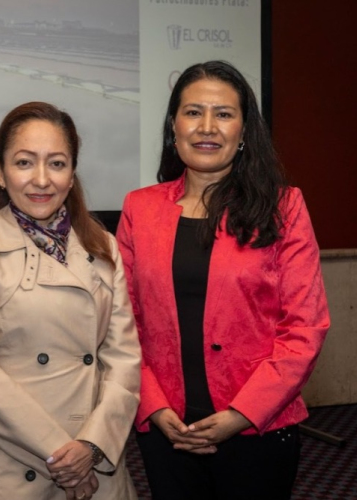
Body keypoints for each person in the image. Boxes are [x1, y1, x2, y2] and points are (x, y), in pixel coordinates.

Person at [116, 60, 330, 499]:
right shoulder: (140, 209)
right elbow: (123, 323)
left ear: (244, 131)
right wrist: (154, 406)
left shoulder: (284, 207)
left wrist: (241, 413)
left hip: (257, 431)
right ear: (173, 126)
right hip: (166, 432)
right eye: (193, 112)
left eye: (224, 114)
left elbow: (304, 330)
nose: (206, 127)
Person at [0, 102, 141, 499]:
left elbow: (124, 360)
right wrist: (61, 458)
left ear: (72, 174)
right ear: (0, 172)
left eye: (56, 163)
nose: (41, 179)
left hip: (95, 459)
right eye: (24, 162)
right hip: (10, 461)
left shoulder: (103, 247)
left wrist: (91, 447)